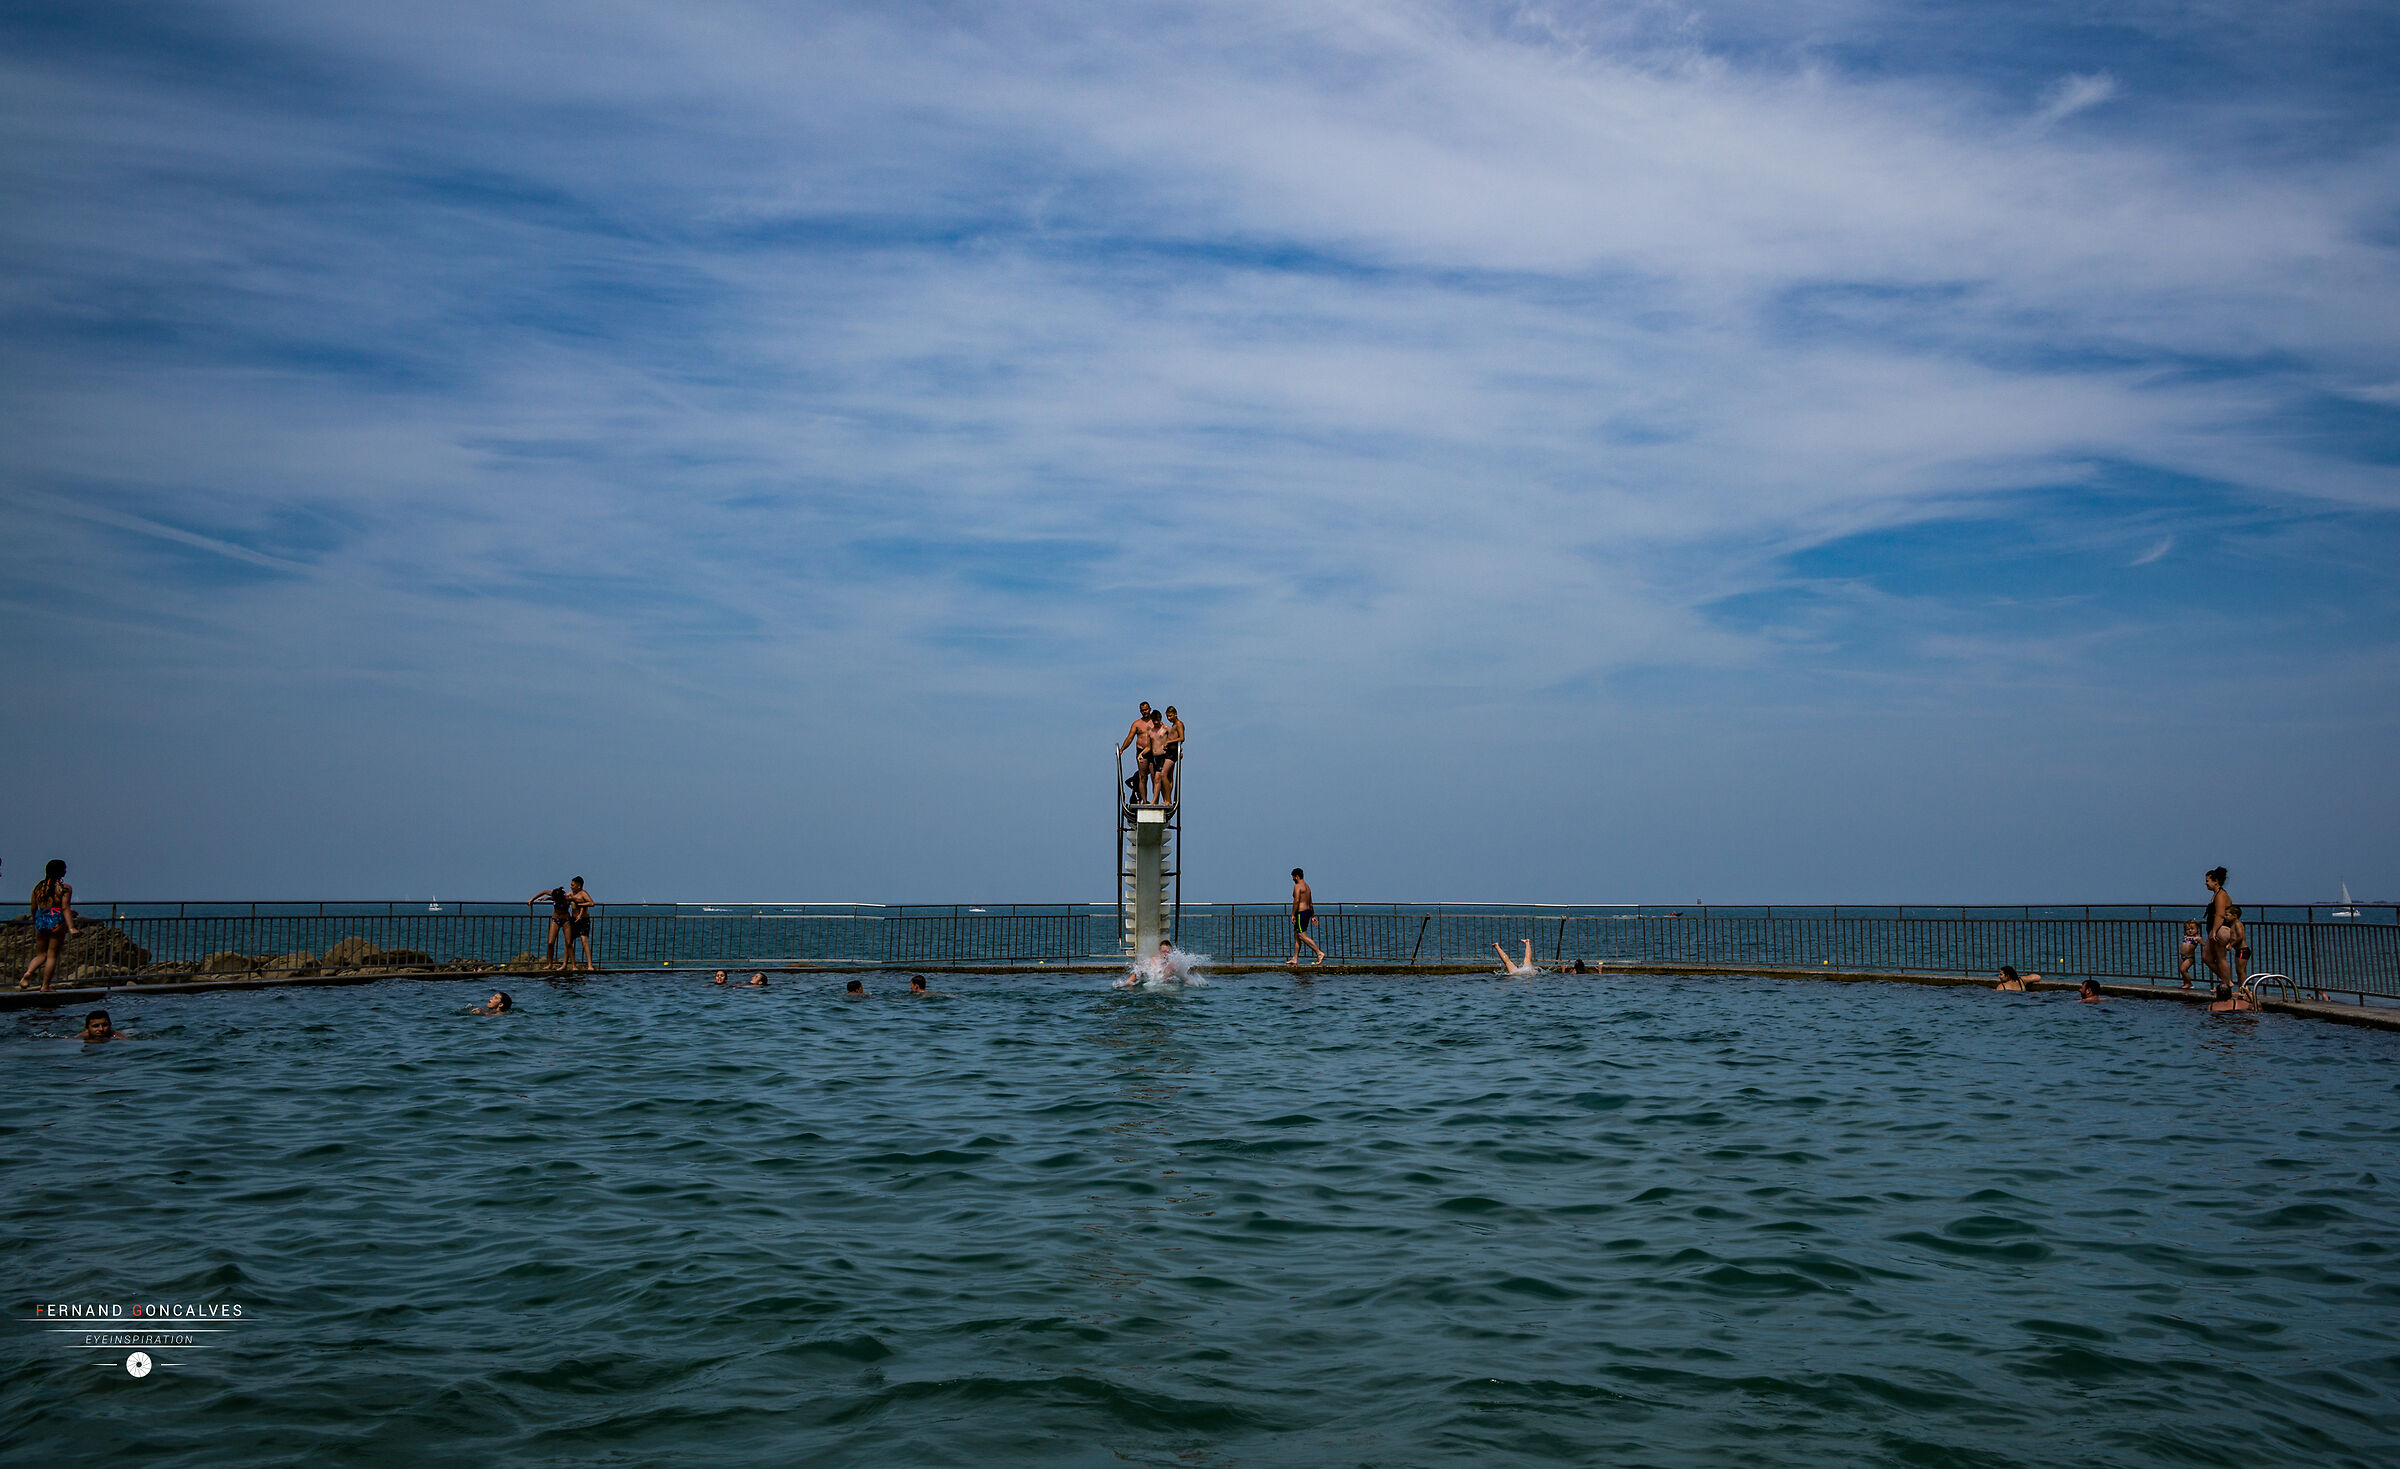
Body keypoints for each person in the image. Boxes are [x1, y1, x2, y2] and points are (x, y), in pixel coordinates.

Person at [19, 859, 75, 993]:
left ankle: (29, 972)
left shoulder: (38, 887)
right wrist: (72, 927)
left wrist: (35, 921)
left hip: (41, 919)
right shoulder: (65, 888)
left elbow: (33, 907)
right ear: (60, 871)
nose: (66, 870)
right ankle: (45, 986)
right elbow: (65, 908)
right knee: (51, 956)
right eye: (64, 868)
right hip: (56, 919)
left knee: (40, 955)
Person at [2201, 867, 2235, 987]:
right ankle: (2227, 981)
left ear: (2216, 881)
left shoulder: (2221, 894)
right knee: (2206, 957)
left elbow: (2220, 915)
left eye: (2207, 880)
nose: (2205, 883)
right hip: (2215, 930)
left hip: (2221, 929)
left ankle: (2226, 984)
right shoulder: (2216, 894)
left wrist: (2214, 931)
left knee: (2221, 958)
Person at [1117, 702, 1156, 804]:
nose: (1144, 712)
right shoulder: (1137, 724)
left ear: (1150, 709)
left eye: (1146, 709)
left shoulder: (1155, 721)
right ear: (1140, 711)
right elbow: (1130, 738)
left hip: (1153, 751)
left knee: (1154, 776)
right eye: (1142, 710)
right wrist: (1122, 749)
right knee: (1142, 777)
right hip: (1141, 751)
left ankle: (1154, 801)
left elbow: (1164, 734)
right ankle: (1144, 800)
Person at [1286, 868, 1325, 966]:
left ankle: (1319, 953)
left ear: (1297, 877)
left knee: (1301, 936)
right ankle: (1294, 958)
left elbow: (1296, 901)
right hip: (1307, 912)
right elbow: (1310, 903)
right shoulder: (1307, 887)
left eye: (1293, 877)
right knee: (1296, 936)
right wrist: (1312, 915)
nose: (1292, 879)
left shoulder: (1298, 886)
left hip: (1301, 913)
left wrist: (1293, 914)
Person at [530, 885, 573, 970]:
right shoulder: (554, 896)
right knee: (550, 943)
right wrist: (532, 899)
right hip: (555, 919)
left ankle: (565, 964)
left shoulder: (567, 898)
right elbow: (544, 891)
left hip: (566, 920)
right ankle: (550, 964)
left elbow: (578, 901)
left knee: (568, 943)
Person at [1156, 706, 1186, 805]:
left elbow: (1182, 738)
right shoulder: (1173, 725)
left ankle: (1167, 800)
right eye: (1167, 716)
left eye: (1170, 716)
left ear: (1175, 714)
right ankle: (1167, 799)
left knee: (1163, 774)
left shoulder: (1179, 724)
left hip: (1172, 754)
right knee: (1168, 776)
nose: (1169, 718)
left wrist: (1169, 742)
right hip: (1169, 752)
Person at [566, 878, 596, 972]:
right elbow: (562, 897)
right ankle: (565, 963)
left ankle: (589, 965)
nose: (571, 887)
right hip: (573, 920)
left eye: (572, 885)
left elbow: (591, 903)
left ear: (578, 886)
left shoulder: (583, 893)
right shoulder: (571, 894)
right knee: (569, 941)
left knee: (584, 941)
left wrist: (580, 904)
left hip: (583, 920)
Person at [2226, 906, 2250, 984]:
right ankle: (2241, 988)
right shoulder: (2232, 924)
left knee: (2241, 970)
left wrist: (2231, 945)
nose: (2225, 917)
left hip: (2243, 950)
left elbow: (2240, 936)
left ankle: (2243, 989)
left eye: (2227, 915)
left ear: (2235, 916)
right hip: (2239, 950)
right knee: (2238, 970)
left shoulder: (2238, 924)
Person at [2176, 921, 2204, 988]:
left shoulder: (2197, 938)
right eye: (2188, 929)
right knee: (2181, 970)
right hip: (2182, 957)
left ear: (2197, 929)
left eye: (2192, 929)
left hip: (2189, 958)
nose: (2190, 930)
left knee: (2183, 969)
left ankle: (2189, 983)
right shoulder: (2186, 936)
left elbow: (2204, 944)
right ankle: (2185, 983)